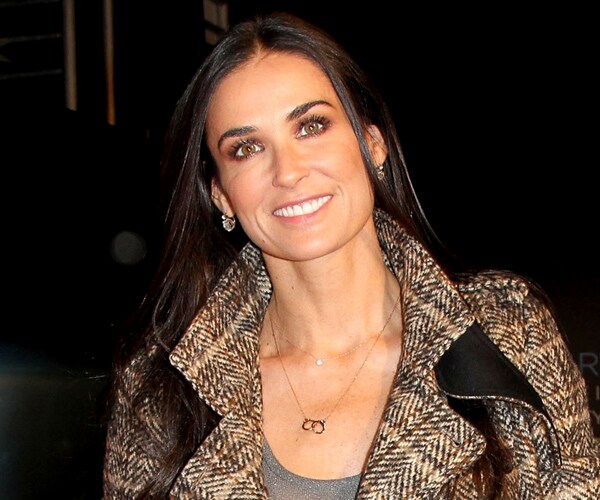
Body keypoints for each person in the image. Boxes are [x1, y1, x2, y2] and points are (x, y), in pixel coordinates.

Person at [102, 11, 600, 499]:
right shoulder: (159, 389)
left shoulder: (507, 332)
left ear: (372, 143)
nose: (288, 171)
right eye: (247, 149)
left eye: (311, 126)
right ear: (221, 195)